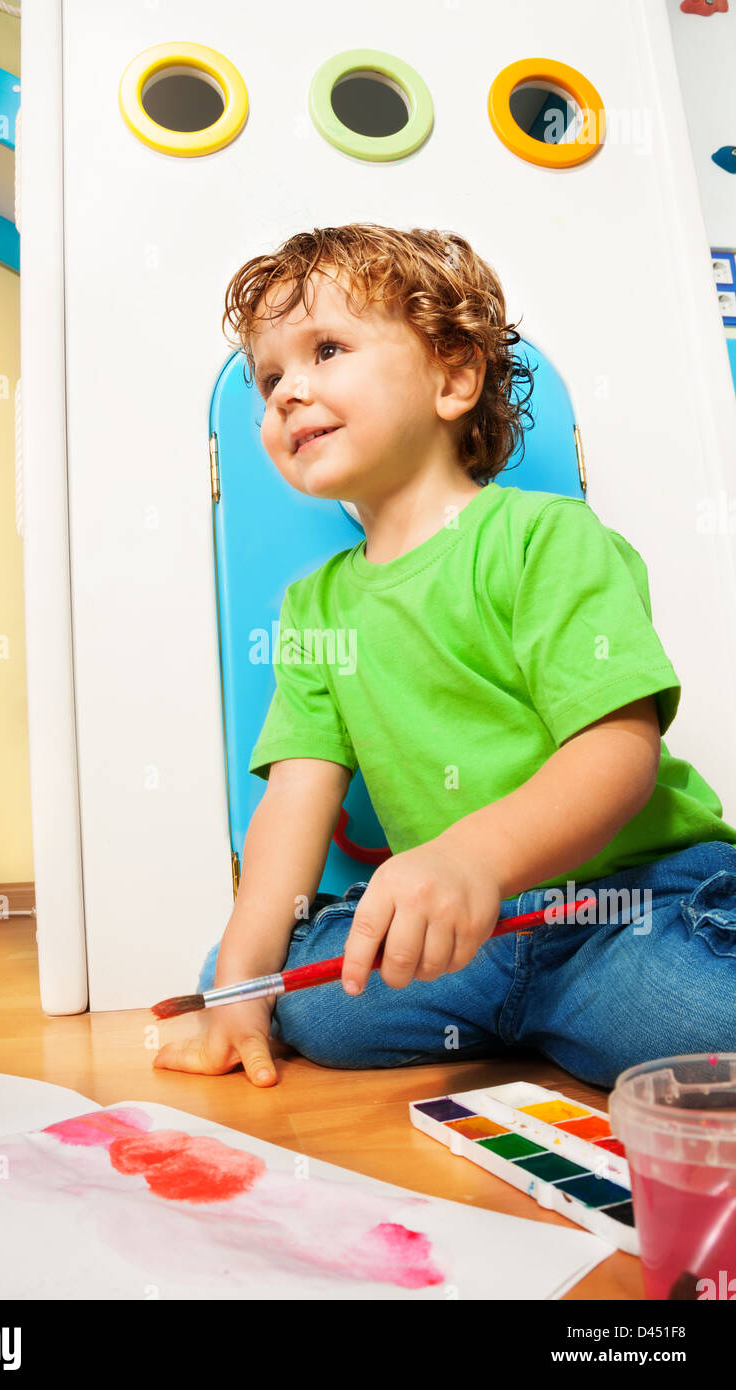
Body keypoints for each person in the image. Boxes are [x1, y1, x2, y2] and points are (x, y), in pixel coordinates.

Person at [154, 222, 736, 1090]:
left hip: (623, 906)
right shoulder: (313, 606)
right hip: (469, 938)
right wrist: (238, 981)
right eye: (269, 376)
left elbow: (619, 756)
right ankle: (550, 1019)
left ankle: (578, 1001)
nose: (286, 393)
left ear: (454, 377)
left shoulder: (545, 538)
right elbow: (291, 808)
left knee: (705, 1010)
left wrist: (474, 858)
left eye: (326, 349)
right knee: (314, 1008)